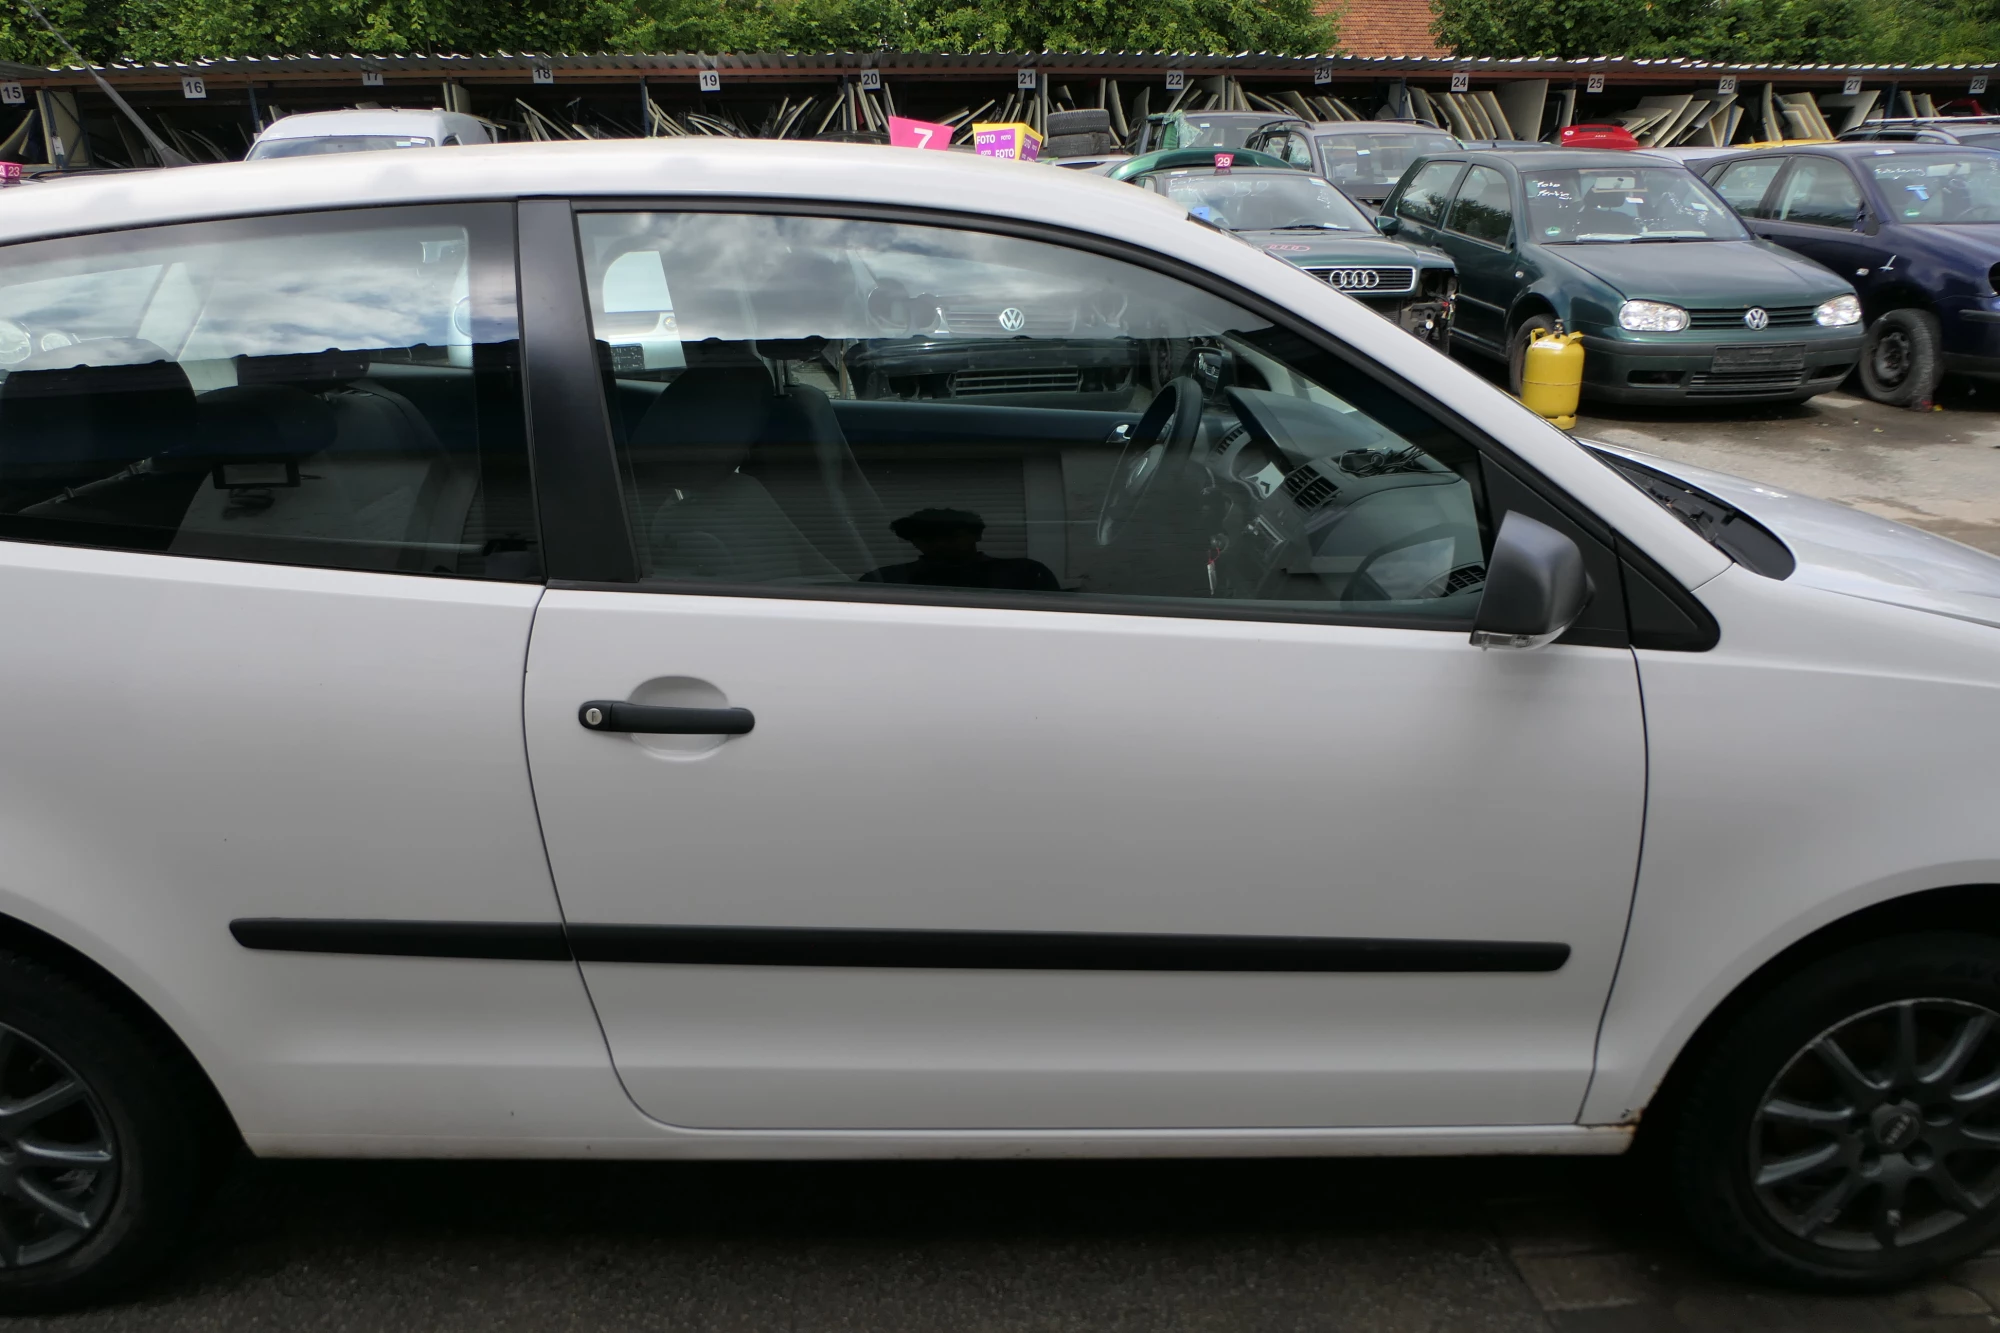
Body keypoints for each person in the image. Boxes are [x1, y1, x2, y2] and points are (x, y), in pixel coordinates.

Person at [861, 508, 1060, 591]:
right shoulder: (884, 580)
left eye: (950, 536)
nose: (940, 544)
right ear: (913, 541)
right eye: (928, 538)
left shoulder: (1027, 573)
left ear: (977, 535)